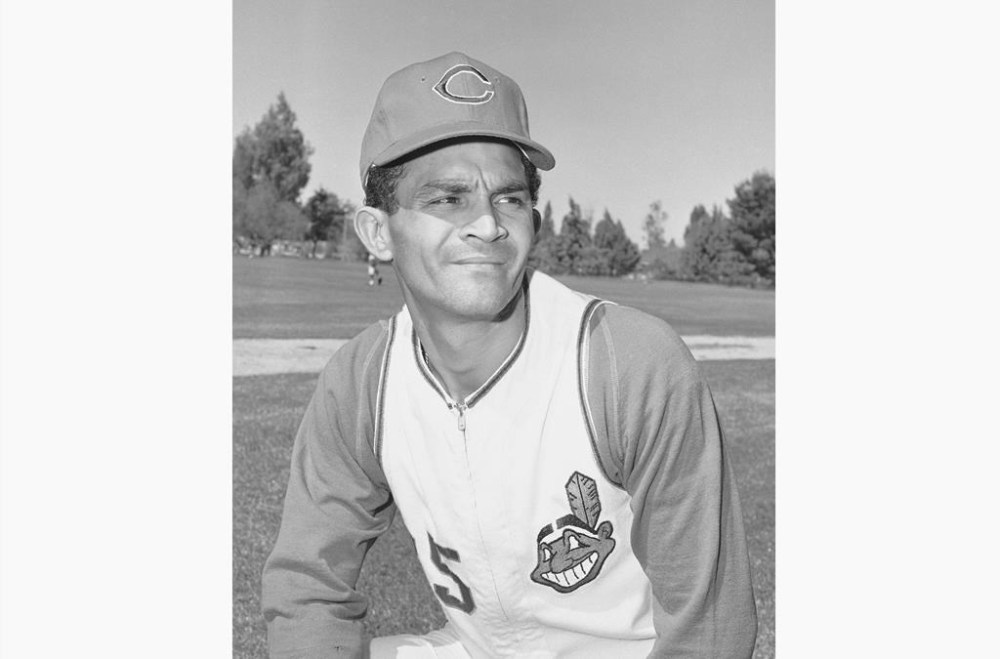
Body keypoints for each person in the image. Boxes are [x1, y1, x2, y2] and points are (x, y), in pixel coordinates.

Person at [262, 51, 757, 658]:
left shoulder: (625, 363)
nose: (488, 225)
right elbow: (306, 591)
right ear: (377, 232)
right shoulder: (363, 382)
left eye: (510, 198)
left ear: (534, 222)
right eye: (447, 199)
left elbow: (708, 629)